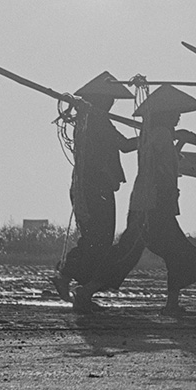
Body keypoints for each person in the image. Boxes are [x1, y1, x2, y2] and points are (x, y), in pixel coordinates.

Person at [89, 85, 196, 316]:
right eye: (175, 114)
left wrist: (180, 140)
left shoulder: (152, 134)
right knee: (181, 255)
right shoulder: (161, 134)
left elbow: (165, 159)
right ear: (166, 114)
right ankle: (170, 304)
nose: (178, 117)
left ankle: (88, 291)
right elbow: (164, 167)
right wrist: (178, 139)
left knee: (128, 253)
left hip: (146, 203)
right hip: (154, 205)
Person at [53, 72, 137, 309]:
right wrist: (151, 134)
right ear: (99, 100)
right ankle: (68, 277)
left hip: (92, 186)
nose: (111, 104)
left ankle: (76, 284)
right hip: (94, 187)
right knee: (97, 239)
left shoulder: (89, 121)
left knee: (97, 239)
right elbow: (125, 145)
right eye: (108, 100)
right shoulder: (96, 122)